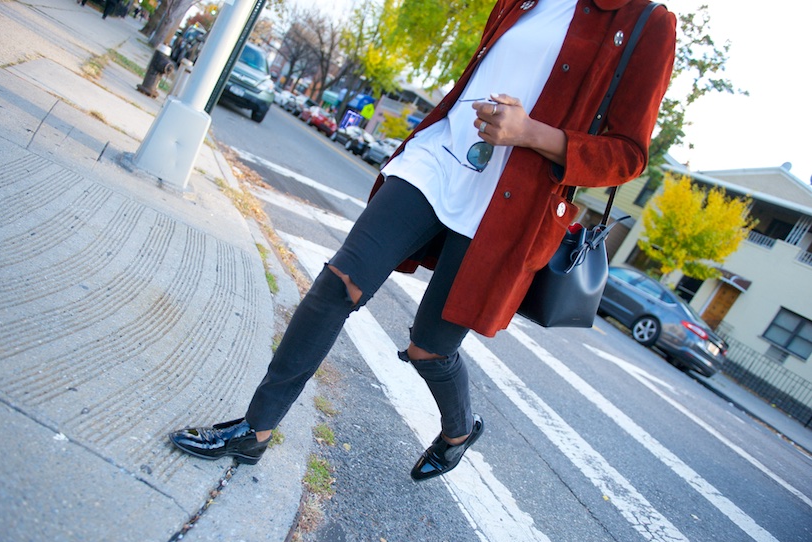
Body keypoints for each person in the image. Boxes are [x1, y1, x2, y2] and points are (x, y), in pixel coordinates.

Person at [169, 0, 676, 481]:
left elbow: (628, 154)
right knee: (339, 282)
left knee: (429, 348)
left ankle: (458, 431)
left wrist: (530, 133)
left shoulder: (645, 22)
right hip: (439, 159)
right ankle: (255, 431)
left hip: (508, 205)